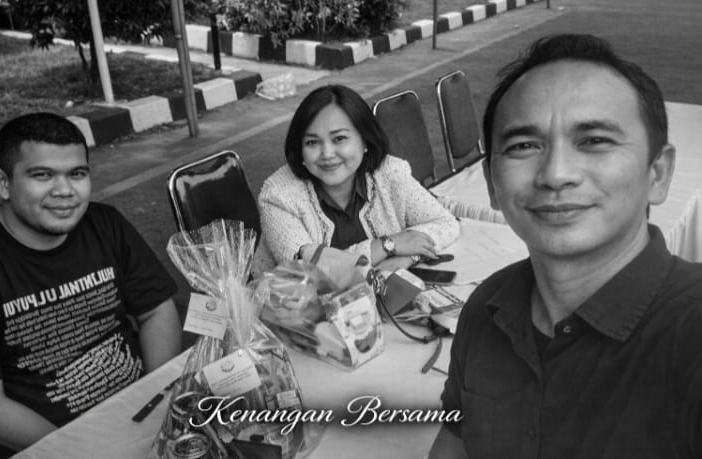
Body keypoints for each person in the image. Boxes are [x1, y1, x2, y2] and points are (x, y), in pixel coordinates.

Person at [429, 34, 702, 458]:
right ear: (492, 186)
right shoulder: (487, 308)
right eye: (523, 146)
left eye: (594, 141)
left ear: (658, 174)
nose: (556, 174)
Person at [0, 113, 182, 457]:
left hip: (138, 413)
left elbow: (155, 311)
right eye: (42, 175)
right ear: (3, 182)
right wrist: (84, 450)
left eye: (77, 174)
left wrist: (158, 402)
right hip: (49, 444)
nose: (64, 191)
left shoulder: (105, 223)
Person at [253, 84, 459, 275]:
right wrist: (387, 245)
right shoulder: (279, 196)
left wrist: (409, 257)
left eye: (339, 139)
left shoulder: (389, 174)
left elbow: (445, 223)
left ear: (365, 140)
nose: (327, 154)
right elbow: (306, 274)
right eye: (312, 142)